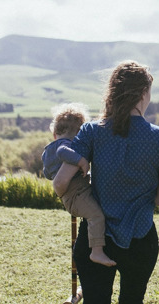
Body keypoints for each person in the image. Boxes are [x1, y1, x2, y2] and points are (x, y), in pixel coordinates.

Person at [53, 60, 159, 304]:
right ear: (144, 95)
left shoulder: (92, 133)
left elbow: (60, 183)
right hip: (141, 238)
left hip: (96, 239)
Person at [42, 102, 116, 267]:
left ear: (54, 133)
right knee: (96, 215)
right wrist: (81, 160)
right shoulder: (67, 145)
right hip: (76, 194)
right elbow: (63, 151)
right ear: (79, 133)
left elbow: (47, 173)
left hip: (70, 195)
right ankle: (97, 252)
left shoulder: (47, 151)